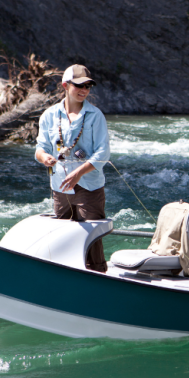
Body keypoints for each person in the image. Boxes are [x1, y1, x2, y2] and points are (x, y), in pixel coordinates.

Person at [35, 64, 111, 272]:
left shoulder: (96, 116)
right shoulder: (49, 115)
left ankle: (97, 277)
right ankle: (66, 277)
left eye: (88, 86)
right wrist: (45, 158)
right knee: (63, 239)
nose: (84, 90)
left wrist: (78, 173)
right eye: (79, 85)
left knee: (91, 242)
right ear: (65, 86)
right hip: (60, 188)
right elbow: (39, 148)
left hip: (90, 188)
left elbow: (103, 154)